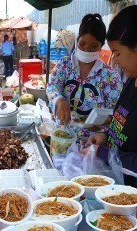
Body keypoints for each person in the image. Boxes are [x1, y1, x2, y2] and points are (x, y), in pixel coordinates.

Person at [46, 13, 122, 141]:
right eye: (82, 44)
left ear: (101, 46)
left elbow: (116, 113)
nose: (87, 50)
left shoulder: (110, 76)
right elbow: (52, 86)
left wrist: (102, 123)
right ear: (77, 41)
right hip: (62, 136)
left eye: (93, 46)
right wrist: (60, 101)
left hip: (91, 144)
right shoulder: (65, 64)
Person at [86, 5, 137, 186]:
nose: (114, 60)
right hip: (115, 187)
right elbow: (120, 123)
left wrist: (104, 153)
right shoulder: (131, 81)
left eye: (117, 53)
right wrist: (105, 136)